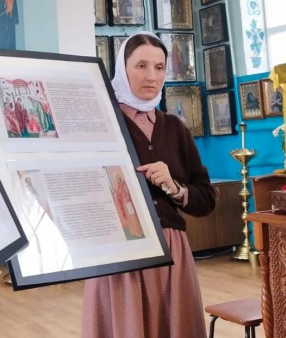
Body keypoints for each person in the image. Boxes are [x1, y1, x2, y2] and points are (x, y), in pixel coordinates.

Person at [81, 32, 216, 337]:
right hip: (119, 253)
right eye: (141, 65)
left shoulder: (175, 128)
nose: (151, 76)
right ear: (122, 69)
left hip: (171, 251)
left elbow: (206, 199)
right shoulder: (100, 123)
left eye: (159, 67)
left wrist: (174, 187)